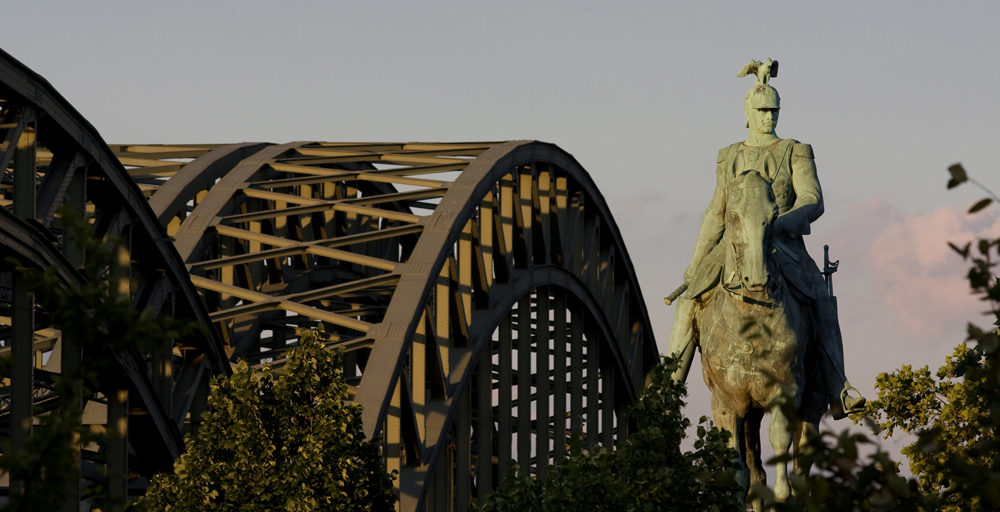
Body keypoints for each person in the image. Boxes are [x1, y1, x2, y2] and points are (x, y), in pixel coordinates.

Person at [666, 59, 865, 419]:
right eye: (761, 110)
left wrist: (777, 223)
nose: (768, 116)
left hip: (783, 245)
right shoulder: (728, 156)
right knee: (687, 303)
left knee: (821, 301)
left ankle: (839, 387)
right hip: (733, 249)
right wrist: (695, 263)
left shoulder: (795, 149)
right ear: (747, 112)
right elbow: (715, 212)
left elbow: (812, 200)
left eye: (773, 109)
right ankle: (668, 389)